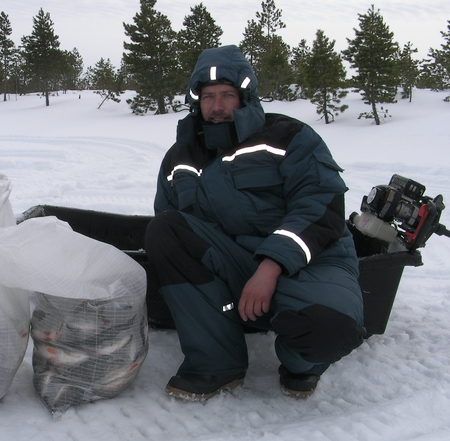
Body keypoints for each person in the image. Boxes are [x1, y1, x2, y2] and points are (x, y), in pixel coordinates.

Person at [144, 45, 365, 400]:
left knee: (330, 330)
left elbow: (319, 205)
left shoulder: (289, 136)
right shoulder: (180, 156)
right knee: (165, 229)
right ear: (196, 102)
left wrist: (271, 266)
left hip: (308, 262)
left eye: (227, 95)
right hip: (235, 264)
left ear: (245, 96)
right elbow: (174, 224)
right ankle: (216, 363)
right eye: (209, 97)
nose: (217, 107)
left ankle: (299, 365)